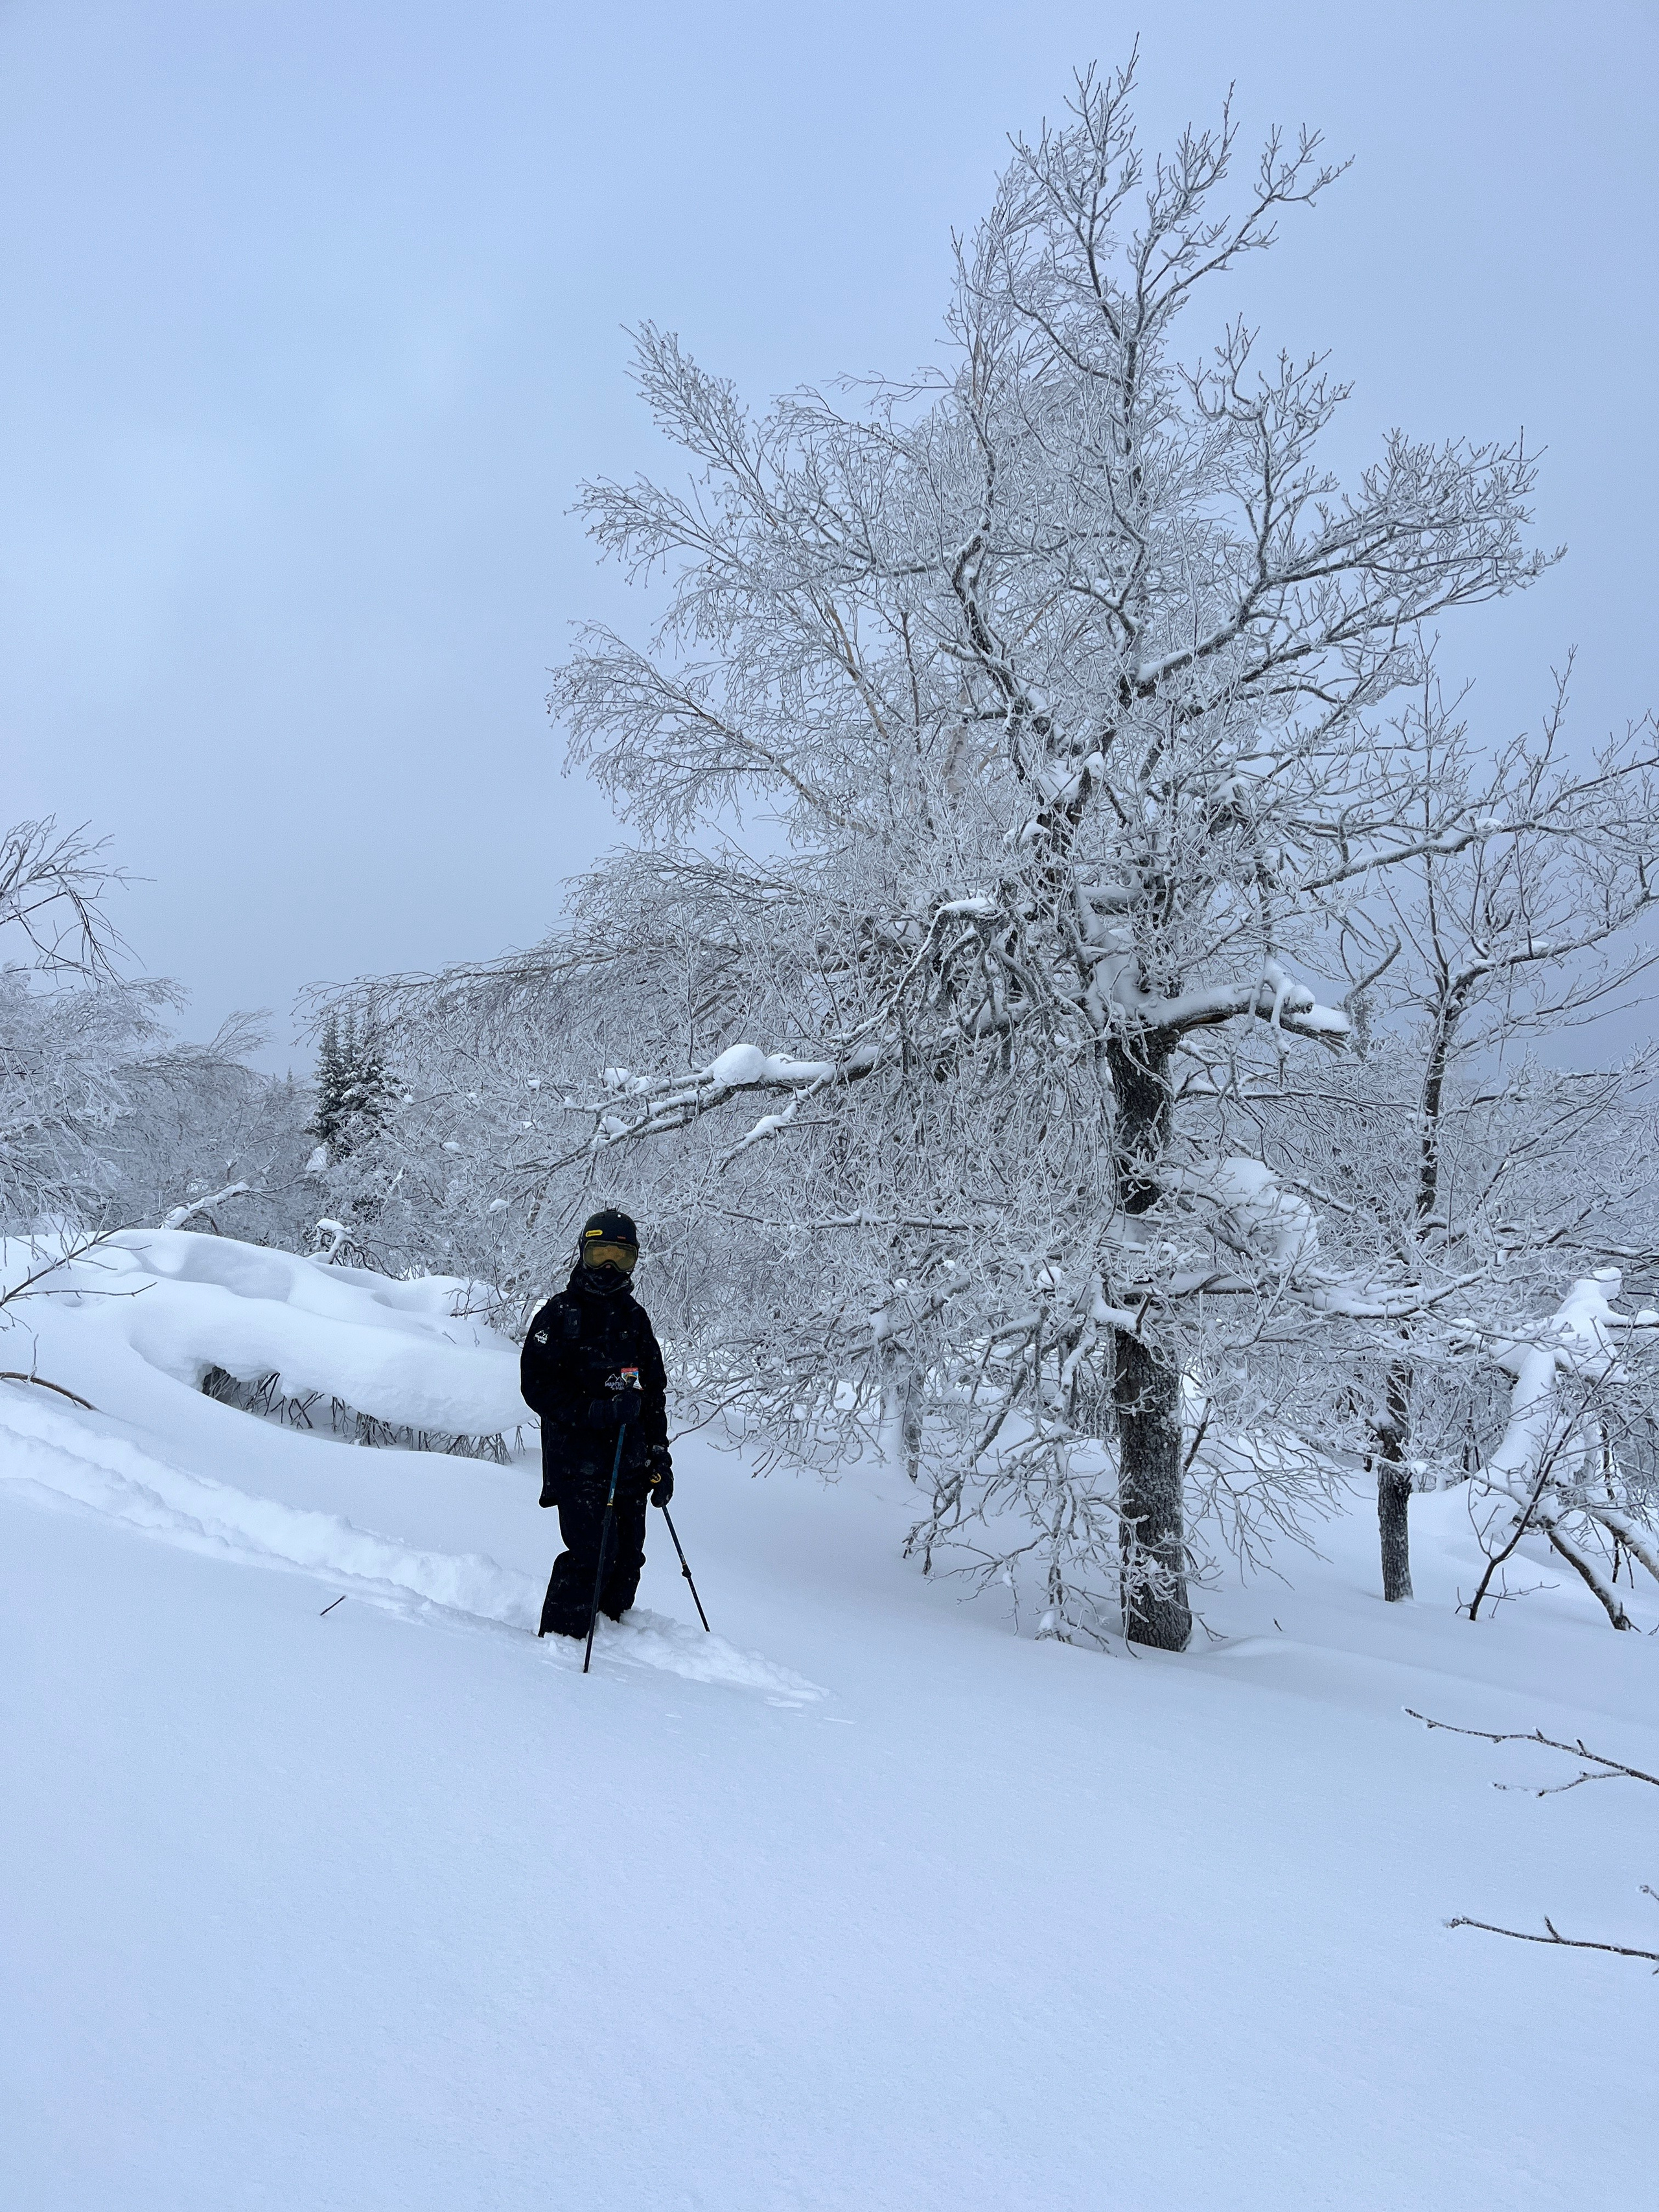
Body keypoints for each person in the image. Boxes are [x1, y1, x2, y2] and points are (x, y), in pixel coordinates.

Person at [520, 1208, 673, 1640]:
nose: (608, 1266)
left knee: (627, 1561)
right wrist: (594, 1412)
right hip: (577, 1464)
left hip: (629, 1462)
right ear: (583, 1254)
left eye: (620, 1257)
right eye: (600, 1253)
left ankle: (608, 1636)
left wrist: (660, 1456)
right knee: (593, 1553)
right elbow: (536, 1386)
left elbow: (654, 1394)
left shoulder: (634, 1320)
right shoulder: (559, 1315)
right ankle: (562, 1643)